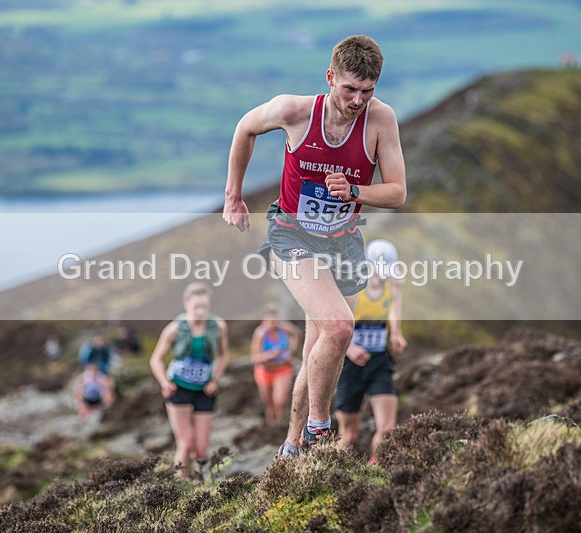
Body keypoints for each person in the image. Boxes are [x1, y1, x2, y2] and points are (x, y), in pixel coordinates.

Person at [223, 35, 406, 457]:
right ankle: (319, 429)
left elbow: (397, 192)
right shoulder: (295, 112)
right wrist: (233, 196)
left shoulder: (381, 120)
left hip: (344, 240)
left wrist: (355, 191)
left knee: (319, 347)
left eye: (367, 91)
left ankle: (291, 444)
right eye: (350, 89)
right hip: (292, 233)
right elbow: (245, 127)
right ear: (330, 78)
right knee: (340, 328)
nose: (358, 100)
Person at [334, 239, 407, 463]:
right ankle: (337, 474)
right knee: (349, 436)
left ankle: (375, 470)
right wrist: (350, 348)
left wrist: (396, 333)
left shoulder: (393, 286)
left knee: (387, 429)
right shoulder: (352, 289)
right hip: (350, 366)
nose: (382, 277)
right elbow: (333, 326)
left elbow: (394, 307)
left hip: (379, 362)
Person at [150, 282, 230, 476]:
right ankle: (181, 485)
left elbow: (224, 355)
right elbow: (156, 359)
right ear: (186, 304)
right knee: (185, 444)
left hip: (204, 390)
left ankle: (195, 479)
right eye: (196, 306)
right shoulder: (174, 329)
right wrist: (164, 382)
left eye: (204, 306)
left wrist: (214, 379)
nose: (201, 311)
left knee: (201, 450)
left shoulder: (218, 326)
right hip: (179, 389)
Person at [250, 306, 301, 426]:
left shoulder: (285, 328)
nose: (273, 325)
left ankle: (280, 425)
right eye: (270, 322)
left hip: (282, 369)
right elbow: (254, 358)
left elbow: (297, 334)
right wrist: (268, 355)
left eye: (275, 321)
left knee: (280, 401)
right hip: (265, 371)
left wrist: (292, 352)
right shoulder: (260, 333)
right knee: (269, 404)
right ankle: (271, 427)